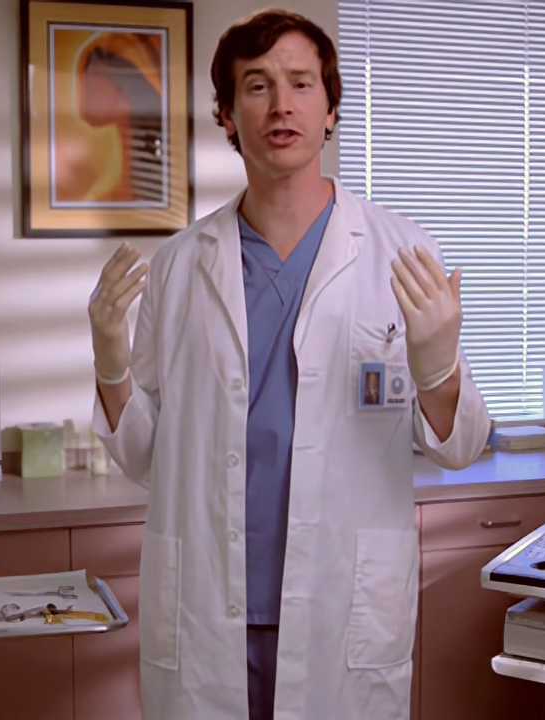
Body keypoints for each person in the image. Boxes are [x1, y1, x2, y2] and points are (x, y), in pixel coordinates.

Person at [87, 9, 491, 720]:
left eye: (302, 84)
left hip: (343, 606)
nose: (282, 105)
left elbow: (459, 448)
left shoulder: (400, 254)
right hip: (208, 607)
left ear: (330, 110)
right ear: (226, 113)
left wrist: (436, 370)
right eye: (257, 86)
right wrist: (112, 364)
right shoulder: (180, 267)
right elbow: (144, 456)